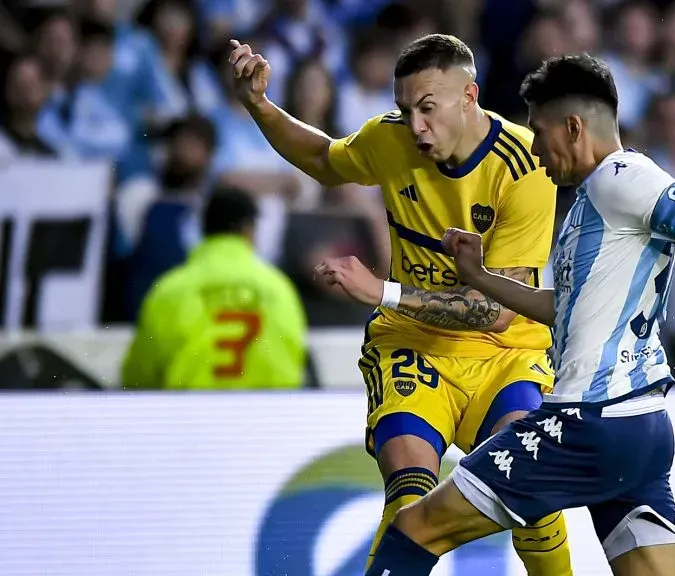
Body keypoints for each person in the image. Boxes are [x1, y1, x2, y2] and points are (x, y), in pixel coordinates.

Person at [364, 54, 675, 576]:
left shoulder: (623, 177)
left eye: (539, 133)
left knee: (414, 531)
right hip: (641, 432)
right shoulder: (590, 204)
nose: (536, 152)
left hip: (587, 421)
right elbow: (564, 310)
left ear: (574, 127)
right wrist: (480, 276)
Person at [226, 34, 573, 574]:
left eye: (427, 109)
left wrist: (383, 292)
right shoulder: (389, 140)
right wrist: (259, 106)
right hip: (412, 346)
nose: (415, 127)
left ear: (469, 96)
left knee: (530, 492)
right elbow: (322, 158)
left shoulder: (523, 165)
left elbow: (498, 310)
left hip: (504, 353)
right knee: (409, 495)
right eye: (405, 109)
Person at [122, 188, 307, 389]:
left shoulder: (170, 288)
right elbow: (293, 363)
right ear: (249, 229)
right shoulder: (278, 289)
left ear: (204, 228)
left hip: (189, 415)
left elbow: (138, 375)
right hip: (260, 416)